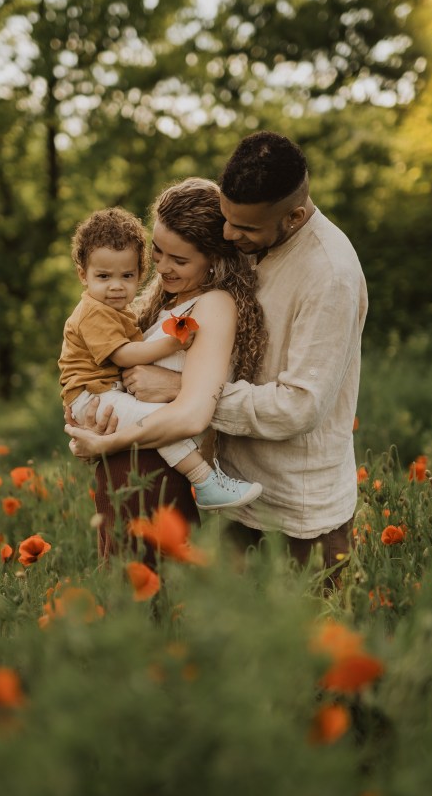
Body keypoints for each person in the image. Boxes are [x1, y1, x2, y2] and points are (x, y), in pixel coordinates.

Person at [113, 132, 368, 578]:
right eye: (227, 218)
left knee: (302, 623)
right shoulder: (248, 242)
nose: (229, 234)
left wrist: (186, 390)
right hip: (232, 497)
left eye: (245, 228)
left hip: (298, 516)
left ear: (294, 216)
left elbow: (298, 406)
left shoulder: (330, 276)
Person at [60, 194, 265, 523]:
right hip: (129, 475)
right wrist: (95, 436)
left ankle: (207, 482)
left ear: (213, 257)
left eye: (179, 260)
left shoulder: (211, 304)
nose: (163, 267)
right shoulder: (159, 304)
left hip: (154, 476)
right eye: (158, 252)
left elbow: (190, 416)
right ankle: (207, 483)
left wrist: (105, 444)